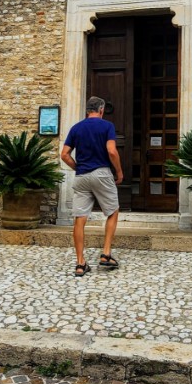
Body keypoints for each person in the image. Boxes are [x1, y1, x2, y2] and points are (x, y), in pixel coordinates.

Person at [60, 96, 124, 277]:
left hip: (82, 176)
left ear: (87, 110)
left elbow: (64, 154)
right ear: (101, 110)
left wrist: (77, 167)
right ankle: (106, 253)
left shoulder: (76, 128)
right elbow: (112, 150)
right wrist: (119, 172)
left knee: (79, 218)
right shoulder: (107, 126)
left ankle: (80, 263)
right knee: (112, 211)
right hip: (102, 173)